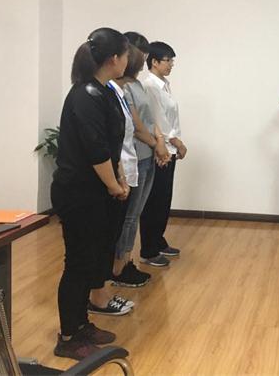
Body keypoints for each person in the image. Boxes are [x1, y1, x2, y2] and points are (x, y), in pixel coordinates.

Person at [51, 27, 129, 360]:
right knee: (78, 263)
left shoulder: (105, 91)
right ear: (114, 58)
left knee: (93, 260)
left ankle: (82, 324)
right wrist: (113, 185)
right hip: (79, 193)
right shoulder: (85, 94)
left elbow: (112, 144)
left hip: (97, 193)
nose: (127, 61)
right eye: (125, 55)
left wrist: (119, 177)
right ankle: (68, 336)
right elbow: (95, 149)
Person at [112, 37, 170, 287]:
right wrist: (157, 144)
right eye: (140, 53)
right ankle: (118, 267)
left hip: (147, 154)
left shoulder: (137, 84)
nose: (143, 58)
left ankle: (126, 262)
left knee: (135, 215)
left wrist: (158, 141)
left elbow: (150, 119)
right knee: (128, 217)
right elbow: (135, 126)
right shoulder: (121, 86)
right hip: (135, 156)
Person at [140, 41, 186, 267]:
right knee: (154, 201)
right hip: (160, 149)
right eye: (168, 60)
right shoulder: (149, 85)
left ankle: (158, 240)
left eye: (172, 60)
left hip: (170, 148)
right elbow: (158, 119)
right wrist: (177, 142)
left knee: (164, 198)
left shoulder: (163, 84)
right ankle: (149, 249)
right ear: (154, 62)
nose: (171, 64)